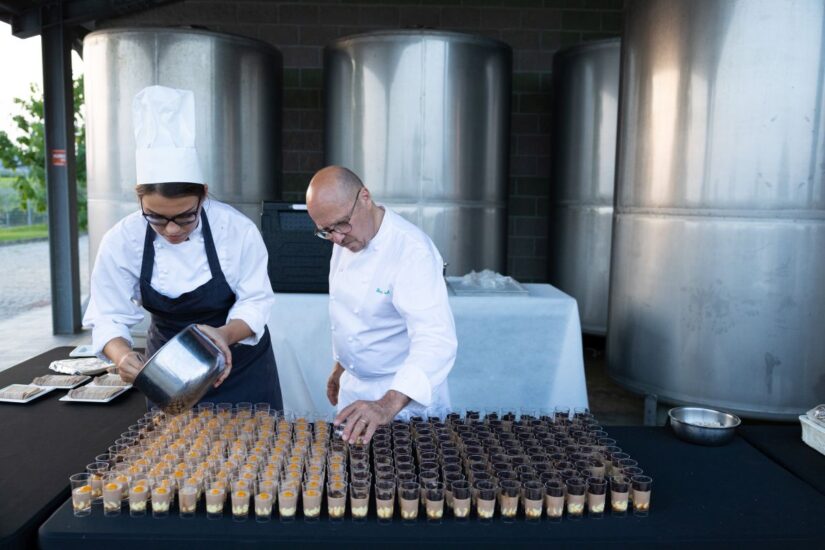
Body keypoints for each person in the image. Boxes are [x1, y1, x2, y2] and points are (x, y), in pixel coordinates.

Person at [83, 85, 282, 408]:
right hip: (168, 377)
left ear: (203, 194)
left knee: (253, 440)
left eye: (186, 216)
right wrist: (122, 356)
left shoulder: (236, 231)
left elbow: (255, 301)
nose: (172, 229)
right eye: (156, 218)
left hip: (241, 369)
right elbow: (107, 314)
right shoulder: (122, 240)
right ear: (139, 200)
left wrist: (223, 335)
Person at [306, 165, 457, 444]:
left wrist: (387, 404)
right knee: (352, 470)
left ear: (365, 197)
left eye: (341, 224)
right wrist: (341, 367)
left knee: (408, 470)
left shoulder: (412, 251)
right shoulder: (345, 239)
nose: (337, 238)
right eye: (325, 231)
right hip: (354, 393)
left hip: (402, 400)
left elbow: (436, 340)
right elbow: (357, 316)